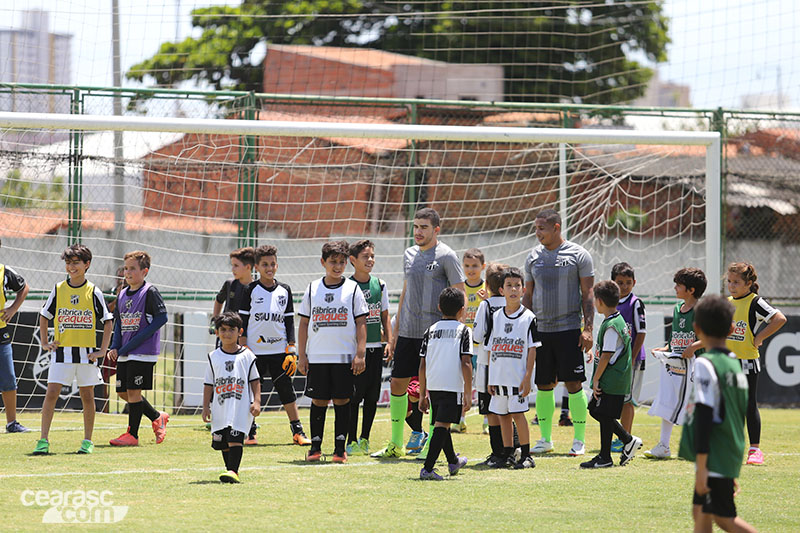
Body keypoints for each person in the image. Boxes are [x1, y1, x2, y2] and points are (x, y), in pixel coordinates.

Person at [372, 208, 465, 459]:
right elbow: (405, 292)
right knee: (397, 384)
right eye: (415, 226)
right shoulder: (409, 254)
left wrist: (457, 330)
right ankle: (396, 443)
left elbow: (460, 295)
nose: (418, 231)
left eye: (424, 227)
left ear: (436, 229)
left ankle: (432, 446)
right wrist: (394, 333)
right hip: (407, 332)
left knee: (433, 389)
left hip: (435, 334)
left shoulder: (447, 256)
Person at [678, 295, 757, 533]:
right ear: (731, 329)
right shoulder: (734, 363)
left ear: (696, 328)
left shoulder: (706, 364)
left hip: (714, 452)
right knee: (700, 512)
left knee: (725, 519)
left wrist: (702, 467)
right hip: (728, 449)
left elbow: (704, 413)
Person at [522, 208, 593, 457]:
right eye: (536, 228)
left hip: (569, 329)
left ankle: (579, 440)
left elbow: (588, 294)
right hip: (541, 331)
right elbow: (528, 295)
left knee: (573, 383)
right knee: (543, 384)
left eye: (541, 228)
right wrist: (524, 327)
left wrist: (588, 329)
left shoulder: (578, 255)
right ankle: (545, 439)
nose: (537, 233)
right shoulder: (533, 257)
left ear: (556, 227)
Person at [34, 244, 113, 455]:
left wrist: (102, 350)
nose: (71, 267)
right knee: (52, 393)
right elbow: (44, 315)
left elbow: (107, 321)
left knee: (87, 395)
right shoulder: (58, 289)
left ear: (87, 264)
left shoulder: (94, 291)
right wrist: (44, 342)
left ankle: (87, 441)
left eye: (76, 263)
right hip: (62, 353)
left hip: (87, 354)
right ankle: (43, 440)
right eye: (68, 263)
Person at [297, 241, 368, 463]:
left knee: (341, 400)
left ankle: (339, 449)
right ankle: (315, 448)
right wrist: (302, 354)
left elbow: (361, 322)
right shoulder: (312, 288)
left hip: (343, 357)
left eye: (341, 262)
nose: (337, 266)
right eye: (332, 262)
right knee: (318, 400)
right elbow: (303, 323)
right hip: (317, 357)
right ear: (323, 262)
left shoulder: (353, 289)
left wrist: (360, 353)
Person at [238, 245, 309, 446]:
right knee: (251, 392)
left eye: (272, 264)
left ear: (277, 265)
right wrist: (243, 346)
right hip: (254, 351)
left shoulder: (285, 290)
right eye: (264, 264)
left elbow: (289, 321)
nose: (269, 268)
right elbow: (243, 321)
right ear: (257, 267)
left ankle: (297, 431)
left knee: (286, 390)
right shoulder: (250, 290)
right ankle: (250, 432)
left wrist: (292, 347)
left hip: (279, 351)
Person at [724, 262, 785, 465]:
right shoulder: (727, 302)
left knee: (749, 405)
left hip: (747, 362)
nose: (731, 286)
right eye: (729, 281)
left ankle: (755, 450)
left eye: (736, 282)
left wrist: (759, 337)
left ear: (748, 283)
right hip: (728, 361)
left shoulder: (755, 302)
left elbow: (779, 319)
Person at [108, 251, 170, 447]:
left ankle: (132, 435)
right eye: (126, 268)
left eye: (133, 268)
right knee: (122, 392)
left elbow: (161, 318)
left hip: (143, 351)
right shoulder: (122, 294)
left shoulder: (150, 292)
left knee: (133, 392)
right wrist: (115, 346)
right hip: (125, 351)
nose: (128, 272)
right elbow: (119, 323)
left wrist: (135, 341)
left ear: (145, 271)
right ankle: (157, 416)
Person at [644, 268, 706, 459]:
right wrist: (665, 349)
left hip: (695, 367)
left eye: (679, 285)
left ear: (691, 290)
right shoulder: (677, 309)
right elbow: (674, 338)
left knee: (695, 406)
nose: (675, 288)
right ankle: (664, 445)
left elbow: (711, 336)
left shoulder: (701, 311)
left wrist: (693, 347)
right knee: (668, 400)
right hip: (675, 366)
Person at [580, 280, 642, 468]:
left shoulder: (612, 325)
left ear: (599, 301)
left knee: (602, 412)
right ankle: (625, 442)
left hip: (612, 379)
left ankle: (607, 456)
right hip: (613, 379)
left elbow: (607, 355)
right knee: (597, 410)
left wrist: (596, 378)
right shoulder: (616, 319)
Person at [485, 267, 539, 469]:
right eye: (509, 285)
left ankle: (526, 455)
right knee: (503, 415)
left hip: (517, 378)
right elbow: (490, 348)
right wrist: (490, 377)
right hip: (499, 377)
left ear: (523, 290)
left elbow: (532, 349)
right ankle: (507, 453)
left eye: (517, 285)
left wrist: (528, 376)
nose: (513, 289)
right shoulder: (496, 316)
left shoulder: (529, 318)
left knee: (518, 414)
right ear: (502, 290)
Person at [417, 287, 472, 480]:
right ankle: (428, 468)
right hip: (452, 385)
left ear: (439, 307)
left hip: (434, 384)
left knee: (443, 422)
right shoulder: (464, 331)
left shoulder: (430, 330)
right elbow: (466, 363)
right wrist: (468, 392)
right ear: (462, 310)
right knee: (442, 424)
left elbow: (422, 364)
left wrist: (422, 393)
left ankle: (453, 461)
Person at [346, 239, 392, 456]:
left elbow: (385, 315)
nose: (370, 260)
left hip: (375, 349)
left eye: (372, 256)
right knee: (354, 397)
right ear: (353, 260)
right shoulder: (347, 286)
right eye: (365, 256)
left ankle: (365, 438)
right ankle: (350, 440)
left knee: (372, 397)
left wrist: (389, 341)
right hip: (356, 351)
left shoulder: (380, 284)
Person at [202, 312, 260, 483]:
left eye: (231, 330)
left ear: (240, 332)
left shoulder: (247, 356)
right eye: (223, 330)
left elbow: (255, 380)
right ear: (217, 332)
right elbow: (208, 383)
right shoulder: (213, 357)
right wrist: (205, 407)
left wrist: (257, 401)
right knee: (224, 442)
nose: (227, 333)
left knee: (236, 438)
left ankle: (233, 471)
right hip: (220, 407)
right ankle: (230, 471)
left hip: (240, 406)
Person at [472, 262, 509, 463]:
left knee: (491, 410)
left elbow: (477, 336)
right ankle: (512, 449)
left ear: (486, 284)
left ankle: (497, 453)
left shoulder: (485, 306)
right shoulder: (513, 306)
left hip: (488, 362)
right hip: (509, 363)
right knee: (508, 408)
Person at [610, 262, 647, 453]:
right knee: (618, 399)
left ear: (634, 282)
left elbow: (641, 332)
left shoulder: (635, 303)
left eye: (628, 282)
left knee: (628, 400)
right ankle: (621, 437)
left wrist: (632, 356)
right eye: (620, 282)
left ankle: (626, 439)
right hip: (617, 361)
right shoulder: (611, 304)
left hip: (632, 360)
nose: (624, 286)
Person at [452, 247, 485, 433]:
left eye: (475, 266)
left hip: (483, 345)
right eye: (467, 266)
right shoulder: (459, 289)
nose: (470, 269)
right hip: (463, 344)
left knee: (484, 383)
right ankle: (460, 419)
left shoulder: (487, 289)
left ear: (483, 267)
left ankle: (488, 420)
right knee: (462, 381)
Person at [0, 239, 30, 433]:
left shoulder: (4, 271)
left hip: (1, 332)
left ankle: (12, 423)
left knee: (8, 378)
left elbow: (24, 287)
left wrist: (12, 309)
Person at [211, 247, 254, 322]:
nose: (232, 269)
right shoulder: (229, 284)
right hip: (227, 326)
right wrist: (214, 320)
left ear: (248, 267)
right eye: (232, 265)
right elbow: (219, 300)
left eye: (236, 265)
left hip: (247, 327)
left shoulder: (256, 288)